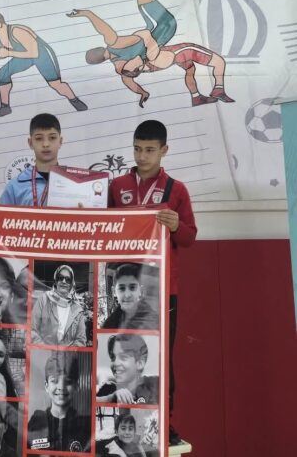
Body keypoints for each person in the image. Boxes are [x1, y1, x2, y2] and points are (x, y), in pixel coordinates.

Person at [108, 119, 196, 443]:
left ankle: (163, 423)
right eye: (137, 149)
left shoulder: (177, 189)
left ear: (164, 150)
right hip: (124, 291)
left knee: (160, 359)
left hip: (162, 292)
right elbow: (101, 227)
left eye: (149, 150)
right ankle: (117, 420)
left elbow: (189, 237)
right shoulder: (117, 186)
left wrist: (175, 226)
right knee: (119, 355)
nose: (142, 156)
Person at [0, 12, 87, 117]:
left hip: (41, 54)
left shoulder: (17, 31)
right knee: (1, 75)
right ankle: (5, 107)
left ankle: (74, 100)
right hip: (23, 56)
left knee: (55, 84)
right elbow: (1, 53)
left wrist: (8, 53)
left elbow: (34, 53)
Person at [133, 42, 235, 106]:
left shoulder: (127, 70)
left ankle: (196, 97)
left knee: (190, 69)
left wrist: (143, 93)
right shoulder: (136, 59)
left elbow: (130, 82)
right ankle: (218, 90)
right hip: (180, 52)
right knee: (219, 62)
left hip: (169, 59)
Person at [27, 351, 91, 452]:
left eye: (68, 382)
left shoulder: (85, 425)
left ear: (76, 387)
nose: (61, 387)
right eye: (54, 381)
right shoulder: (36, 422)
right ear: (46, 386)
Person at [32, 265, 87, 346]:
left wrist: (67, 352)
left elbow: (81, 341)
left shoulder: (77, 310)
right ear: (56, 280)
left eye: (68, 279)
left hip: (68, 354)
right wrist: (45, 349)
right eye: (60, 278)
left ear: (71, 284)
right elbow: (32, 330)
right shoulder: (43, 300)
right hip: (43, 352)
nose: (64, 281)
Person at [97, 334, 159, 405]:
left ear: (140, 363)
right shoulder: (107, 390)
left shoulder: (154, 385)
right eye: (113, 358)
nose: (115, 363)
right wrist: (109, 399)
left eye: (123, 357)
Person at [101, 263, 159, 330]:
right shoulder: (107, 326)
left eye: (132, 288)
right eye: (122, 288)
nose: (127, 295)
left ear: (141, 291)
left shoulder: (156, 323)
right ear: (114, 292)